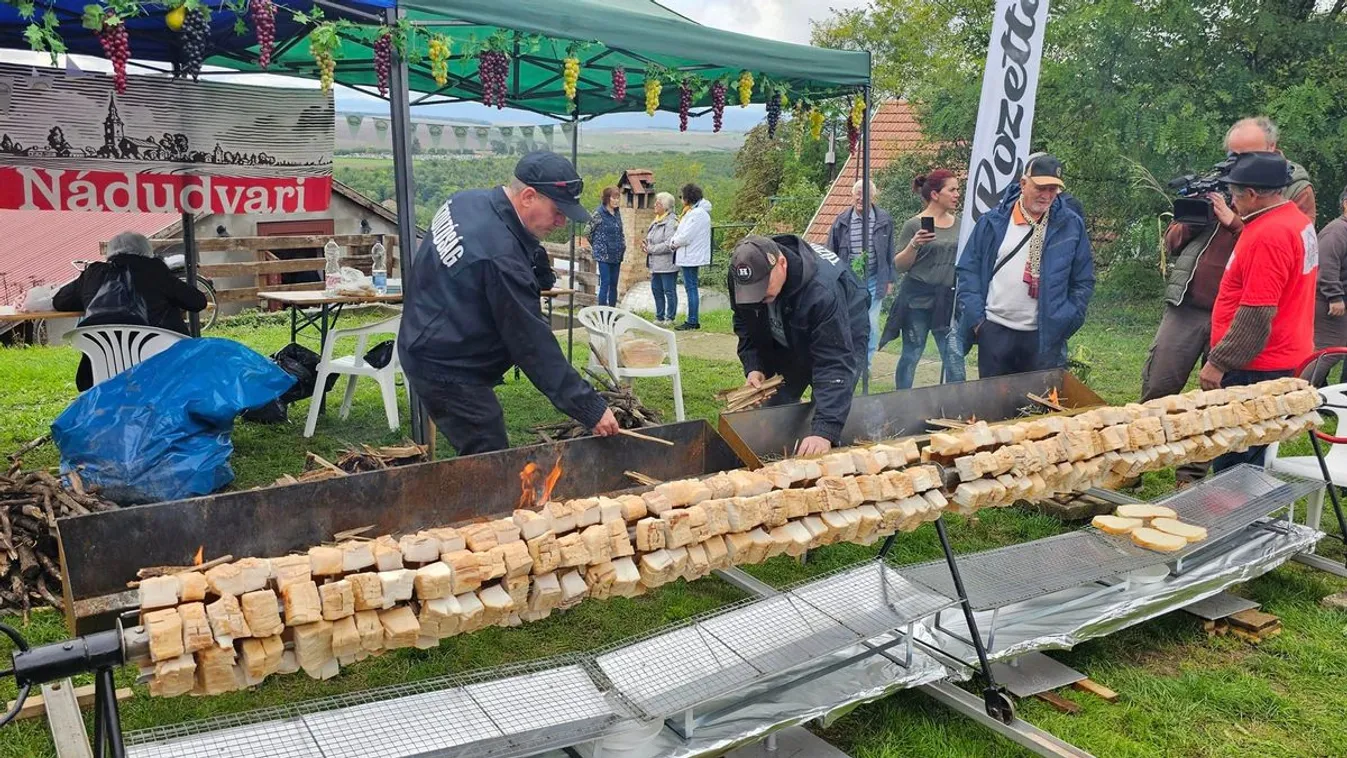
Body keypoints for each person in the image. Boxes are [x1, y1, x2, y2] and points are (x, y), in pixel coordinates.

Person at [398, 151, 620, 456]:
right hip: (444, 363)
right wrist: (591, 407)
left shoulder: (465, 201)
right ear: (528, 196)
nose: (561, 221)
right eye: (558, 210)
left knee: (486, 447)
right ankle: (485, 503)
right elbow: (532, 344)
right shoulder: (499, 257)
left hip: (426, 332)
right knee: (490, 454)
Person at [1141, 116, 1314, 484]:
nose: (1234, 166)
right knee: (1161, 383)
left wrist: (1235, 221)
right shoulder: (1226, 184)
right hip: (1196, 302)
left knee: (1232, 423)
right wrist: (1195, 214)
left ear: (1270, 152)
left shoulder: (1287, 200)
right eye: (1232, 155)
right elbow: (1172, 242)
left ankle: (1200, 480)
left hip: (1250, 331)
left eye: (1244, 156)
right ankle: (1136, 458)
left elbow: (1269, 288)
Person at [1199, 152, 1318, 472]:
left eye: (1235, 194)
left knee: (1236, 454)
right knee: (1253, 449)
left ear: (1252, 194)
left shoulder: (1269, 235)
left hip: (1255, 365)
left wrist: (1218, 363)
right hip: (1283, 355)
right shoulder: (1297, 221)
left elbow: (1256, 313)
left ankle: (1235, 520)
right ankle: (1249, 515)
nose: (1232, 201)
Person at [955, 153, 1095, 378]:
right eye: (1040, 188)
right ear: (1023, 184)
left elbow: (1083, 279)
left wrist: (1067, 320)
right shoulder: (993, 222)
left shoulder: (1070, 225)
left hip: (1045, 338)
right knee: (994, 409)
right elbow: (968, 270)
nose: (1047, 195)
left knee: (1039, 408)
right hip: (995, 331)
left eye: (1053, 189)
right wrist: (979, 323)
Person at [728, 234, 869, 456]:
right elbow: (744, 321)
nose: (759, 296)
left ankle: (826, 450)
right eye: (752, 291)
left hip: (843, 332)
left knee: (823, 409)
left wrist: (824, 430)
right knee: (777, 403)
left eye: (763, 287)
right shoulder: (743, 275)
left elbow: (834, 362)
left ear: (781, 263)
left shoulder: (822, 291)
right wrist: (754, 365)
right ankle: (777, 454)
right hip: (789, 334)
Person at [53, 231, 206, 391]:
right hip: (161, 366)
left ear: (110, 252)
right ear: (146, 250)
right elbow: (197, 301)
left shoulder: (93, 273)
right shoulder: (155, 270)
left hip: (101, 374)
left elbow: (60, 301)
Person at [880, 170, 963, 388]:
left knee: (954, 358)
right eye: (952, 189)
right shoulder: (914, 225)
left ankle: (960, 408)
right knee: (912, 354)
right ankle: (903, 402)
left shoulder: (960, 224)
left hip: (947, 299)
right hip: (917, 298)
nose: (957, 194)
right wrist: (914, 245)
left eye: (958, 189)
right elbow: (898, 266)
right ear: (935, 194)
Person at [827, 179, 895, 365]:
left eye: (865, 193)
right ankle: (849, 360)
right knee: (849, 323)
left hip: (874, 279)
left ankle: (866, 365)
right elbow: (830, 251)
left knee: (871, 325)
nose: (860, 197)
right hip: (849, 282)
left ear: (873, 197)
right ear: (852, 195)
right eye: (857, 193)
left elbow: (890, 251)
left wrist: (890, 280)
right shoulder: (841, 221)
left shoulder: (884, 220)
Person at [1310, 185, 1347, 385]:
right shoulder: (1337, 230)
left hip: (1338, 300)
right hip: (1329, 302)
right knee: (1329, 350)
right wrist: (1334, 296)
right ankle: (1298, 391)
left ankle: (1317, 392)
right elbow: (1326, 263)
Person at [670, 183, 712, 330]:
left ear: (688, 198)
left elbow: (686, 236)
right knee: (691, 286)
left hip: (690, 255)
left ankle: (692, 320)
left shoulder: (696, 214)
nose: (681, 199)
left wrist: (673, 242)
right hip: (691, 254)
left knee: (691, 287)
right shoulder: (696, 212)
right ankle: (692, 319)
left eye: (682, 197)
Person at [642, 191, 680, 325]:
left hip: (667, 264)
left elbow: (669, 244)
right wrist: (645, 244)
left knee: (669, 291)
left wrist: (651, 249)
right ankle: (659, 316)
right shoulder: (656, 221)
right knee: (656, 289)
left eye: (658, 203)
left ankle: (670, 317)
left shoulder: (671, 222)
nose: (655, 205)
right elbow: (651, 238)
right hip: (655, 263)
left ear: (665, 206)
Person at [587, 186, 625, 307]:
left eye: (618, 198)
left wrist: (623, 245)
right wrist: (597, 245)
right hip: (603, 254)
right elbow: (587, 231)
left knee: (614, 284)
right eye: (614, 198)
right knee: (605, 283)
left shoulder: (617, 213)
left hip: (617, 254)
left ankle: (612, 312)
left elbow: (620, 231)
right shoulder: (599, 213)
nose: (616, 200)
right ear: (607, 198)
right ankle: (602, 311)